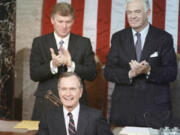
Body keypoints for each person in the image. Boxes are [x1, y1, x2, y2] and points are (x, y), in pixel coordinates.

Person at [104, 0, 177, 128]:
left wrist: (149, 70)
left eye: (137, 12)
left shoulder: (164, 38)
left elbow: (171, 73)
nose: (132, 16)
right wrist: (129, 73)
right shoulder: (118, 38)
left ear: (148, 13)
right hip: (124, 110)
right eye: (129, 12)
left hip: (154, 112)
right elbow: (108, 71)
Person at [30, 2, 97, 120]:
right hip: (46, 104)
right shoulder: (39, 42)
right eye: (60, 21)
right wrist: (53, 65)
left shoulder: (84, 43)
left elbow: (92, 74)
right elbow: (34, 74)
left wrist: (71, 64)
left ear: (73, 21)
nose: (64, 26)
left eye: (68, 22)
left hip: (76, 104)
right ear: (52, 20)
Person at [37, 72, 113, 135]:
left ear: (80, 92)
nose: (68, 94)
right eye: (64, 89)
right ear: (59, 91)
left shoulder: (96, 117)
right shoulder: (48, 117)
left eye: (72, 89)